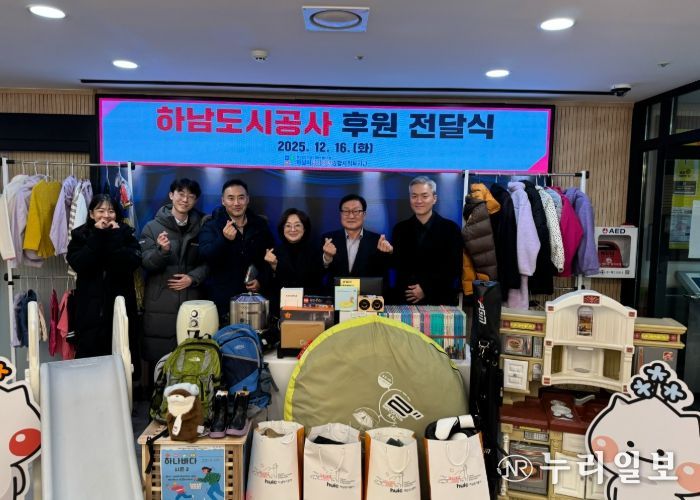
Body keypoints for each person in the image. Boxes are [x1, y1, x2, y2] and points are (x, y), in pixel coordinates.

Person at [139, 178, 208, 363]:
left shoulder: (203, 226)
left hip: (193, 303)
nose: (185, 199)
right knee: (160, 362)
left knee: (193, 362)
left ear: (195, 200)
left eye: (190, 196)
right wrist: (162, 251)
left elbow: (210, 262)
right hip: (160, 304)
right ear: (171, 195)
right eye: (181, 194)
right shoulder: (152, 227)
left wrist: (192, 278)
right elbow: (146, 263)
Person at [66, 194, 141, 358]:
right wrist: (97, 236)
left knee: (123, 358)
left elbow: (132, 262)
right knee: (90, 359)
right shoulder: (80, 235)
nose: (106, 215)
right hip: (90, 311)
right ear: (91, 214)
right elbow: (78, 263)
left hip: (120, 308)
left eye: (111, 211)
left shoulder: (126, 234)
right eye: (101, 211)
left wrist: (115, 237)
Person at [199, 179, 274, 323]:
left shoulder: (260, 225)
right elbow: (205, 256)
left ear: (247, 199)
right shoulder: (211, 225)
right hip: (222, 301)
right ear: (223, 201)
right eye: (231, 198)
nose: (236, 203)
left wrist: (261, 280)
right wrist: (224, 239)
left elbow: (270, 258)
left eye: (241, 197)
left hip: (254, 301)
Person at [390, 176, 462, 305]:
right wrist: (388, 253)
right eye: (414, 196)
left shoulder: (450, 229)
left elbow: (454, 267)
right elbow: (397, 266)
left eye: (424, 196)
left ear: (434, 198)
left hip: (440, 300)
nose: (419, 201)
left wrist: (425, 288)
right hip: (406, 300)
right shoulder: (400, 229)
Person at [321, 194, 393, 287]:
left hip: (366, 294)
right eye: (346, 211)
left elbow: (385, 275)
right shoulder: (328, 239)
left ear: (364, 215)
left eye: (356, 211)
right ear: (341, 214)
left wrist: (389, 252)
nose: (351, 216)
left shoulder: (378, 241)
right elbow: (316, 274)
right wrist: (327, 258)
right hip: (335, 294)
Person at [264, 208, 323, 316]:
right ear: (282, 229)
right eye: (288, 226)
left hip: (308, 311)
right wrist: (273, 266)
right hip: (280, 312)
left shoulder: (315, 251)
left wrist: (278, 266)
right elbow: (268, 287)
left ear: (304, 228)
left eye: (297, 225)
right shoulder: (273, 253)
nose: (292, 229)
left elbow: (314, 281)